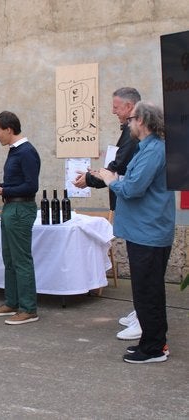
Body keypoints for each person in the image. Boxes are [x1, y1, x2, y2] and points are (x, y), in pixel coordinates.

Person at [97, 101, 174, 364]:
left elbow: (132, 189)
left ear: (141, 120)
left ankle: (154, 349)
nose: (127, 123)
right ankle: (150, 342)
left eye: (130, 119)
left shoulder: (154, 151)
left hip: (149, 233)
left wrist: (111, 180)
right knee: (144, 291)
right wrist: (119, 180)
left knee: (149, 292)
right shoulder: (147, 149)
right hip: (143, 232)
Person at [73, 87, 142, 341]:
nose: (113, 111)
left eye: (116, 107)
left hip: (138, 212)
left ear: (130, 107)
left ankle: (145, 317)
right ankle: (141, 311)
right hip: (126, 205)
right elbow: (115, 170)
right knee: (139, 266)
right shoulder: (129, 135)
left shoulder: (136, 139)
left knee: (143, 267)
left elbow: (118, 168)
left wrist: (91, 177)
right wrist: (95, 176)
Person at [0, 111, 40, 325]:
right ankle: (12, 302)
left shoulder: (27, 152)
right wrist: (2, 187)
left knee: (21, 260)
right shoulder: (15, 150)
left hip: (20, 209)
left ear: (9, 130)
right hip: (11, 207)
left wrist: (4, 191)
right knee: (9, 258)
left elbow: (31, 185)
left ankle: (29, 308)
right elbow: (18, 182)